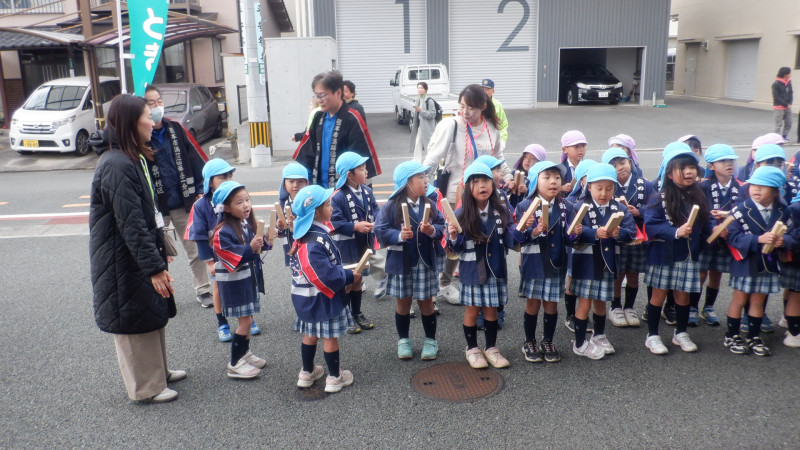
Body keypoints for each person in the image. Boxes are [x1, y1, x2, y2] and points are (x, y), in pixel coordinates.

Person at [89, 93, 185, 403]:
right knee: (132, 317)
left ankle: (158, 373)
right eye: (147, 114)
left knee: (148, 310)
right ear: (131, 122)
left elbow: (144, 215)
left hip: (134, 255)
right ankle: (146, 387)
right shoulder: (117, 164)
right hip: (122, 259)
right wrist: (154, 267)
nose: (153, 119)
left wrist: (158, 250)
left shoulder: (129, 157)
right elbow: (131, 224)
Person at [423, 84, 515, 304]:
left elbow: (498, 158)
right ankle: (434, 285)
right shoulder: (452, 125)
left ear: (483, 107)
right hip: (457, 191)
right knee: (449, 237)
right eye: (462, 106)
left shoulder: (491, 128)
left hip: (484, 193)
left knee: (472, 239)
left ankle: (449, 282)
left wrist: (508, 175)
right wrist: (419, 183)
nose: (465, 112)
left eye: (471, 108)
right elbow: (433, 157)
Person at [143, 85, 212, 308]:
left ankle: (203, 289)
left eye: (159, 101)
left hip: (184, 202)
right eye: (151, 103)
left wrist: (200, 189)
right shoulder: (141, 136)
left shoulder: (176, 129)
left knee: (195, 249)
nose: (157, 106)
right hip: (156, 207)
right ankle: (161, 295)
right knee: (158, 254)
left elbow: (195, 159)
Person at [447, 163, 521, 369]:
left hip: (495, 268)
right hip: (472, 270)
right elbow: (455, 249)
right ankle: (472, 348)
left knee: (491, 311)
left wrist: (525, 231)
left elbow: (510, 238)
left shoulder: (501, 210)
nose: (482, 185)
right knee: (472, 311)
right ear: (468, 186)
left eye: (486, 180)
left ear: (493, 184)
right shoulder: (460, 213)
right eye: (476, 181)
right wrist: (453, 236)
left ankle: (491, 348)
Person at [643, 143, 712, 355]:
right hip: (663, 255)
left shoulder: (698, 195)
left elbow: (706, 223)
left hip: (688, 254)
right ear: (669, 174)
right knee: (658, 295)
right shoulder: (659, 197)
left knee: (683, 297)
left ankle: (680, 332)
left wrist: (716, 230)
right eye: (682, 168)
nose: (689, 171)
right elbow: (650, 224)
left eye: (692, 167)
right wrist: (675, 232)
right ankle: (652, 335)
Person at [289, 185, 359, 393]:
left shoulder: (304, 236)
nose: (332, 207)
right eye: (328, 205)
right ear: (316, 212)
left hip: (305, 297)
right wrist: (348, 276)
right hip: (322, 297)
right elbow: (325, 275)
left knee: (310, 334)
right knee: (329, 338)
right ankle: (334, 377)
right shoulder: (316, 240)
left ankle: (307, 372)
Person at [374, 161, 445, 360]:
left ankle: (430, 340)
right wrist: (398, 235)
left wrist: (432, 231)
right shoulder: (392, 206)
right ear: (407, 183)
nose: (426, 180)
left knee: (426, 302)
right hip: (401, 262)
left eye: (426, 176)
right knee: (403, 302)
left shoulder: (429, 204)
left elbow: (441, 226)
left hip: (424, 261)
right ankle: (403, 340)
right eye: (420, 177)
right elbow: (380, 230)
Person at [570, 163, 637, 359]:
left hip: (607, 262)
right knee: (584, 302)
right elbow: (573, 233)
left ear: (614, 188)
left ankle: (599, 335)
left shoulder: (619, 208)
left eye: (609, 188)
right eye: (599, 188)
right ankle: (580, 342)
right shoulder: (579, 207)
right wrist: (593, 233)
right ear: (588, 186)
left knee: (601, 302)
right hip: (586, 263)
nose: (603, 193)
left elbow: (631, 232)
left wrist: (619, 233)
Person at [725, 166, 793, 356]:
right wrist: (757, 239)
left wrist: (783, 241)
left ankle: (754, 336)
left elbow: (793, 235)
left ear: (775, 190)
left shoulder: (783, 211)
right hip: (746, 262)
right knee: (739, 299)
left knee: (758, 301)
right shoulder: (740, 210)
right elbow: (733, 237)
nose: (756, 189)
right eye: (754, 184)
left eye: (764, 186)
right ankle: (731, 335)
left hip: (768, 263)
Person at [516, 161, 573, 363]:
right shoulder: (525, 206)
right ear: (535, 181)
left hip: (556, 261)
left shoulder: (566, 206)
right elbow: (518, 237)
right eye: (547, 177)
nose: (553, 182)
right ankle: (529, 341)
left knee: (551, 303)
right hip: (534, 262)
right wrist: (533, 231)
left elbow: (569, 238)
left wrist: (575, 234)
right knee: (533, 302)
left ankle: (548, 340)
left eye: (557, 177)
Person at [212, 181, 268, 379]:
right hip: (234, 285)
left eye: (247, 200)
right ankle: (235, 363)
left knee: (248, 320)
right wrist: (251, 247)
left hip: (246, 281)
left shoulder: (244, 224)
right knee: (244, 323)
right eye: (239, 202)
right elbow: (232, 256)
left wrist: (268, 238)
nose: (246, 205)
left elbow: (256, 247)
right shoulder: (222, 232)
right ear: (226, 208)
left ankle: (245, 353)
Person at [185, 159, 244, 342]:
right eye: (222, 177)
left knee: (243, 284)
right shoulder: (201, 205)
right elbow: (200, 236)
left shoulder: (235, 199)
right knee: (219, 287)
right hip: (216, 255)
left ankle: (245, 319)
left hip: (237, 251)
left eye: (229, 176)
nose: (227, 180)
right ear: (210, 182)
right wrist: (210, 262)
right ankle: (222, 323)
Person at [293, 71, 381, 188]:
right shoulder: (318, 118)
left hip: (344, 189)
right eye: (317, 95)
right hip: (320, 189)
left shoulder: (352, 118)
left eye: (323, 95)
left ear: (339, 93)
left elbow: (360, 162)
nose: (319, 100)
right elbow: (308, 156)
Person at [602, 148, 653, 328]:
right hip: (618, 235)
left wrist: (640, 211)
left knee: (633, 272)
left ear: (630, 162)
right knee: (618, 272)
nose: (620, 167)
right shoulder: (608, 186)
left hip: (639, 237)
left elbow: (655, 205)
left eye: (622, 162)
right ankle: (615, 307)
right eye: (614, 165)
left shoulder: (644, 184)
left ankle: (629, 307)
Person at [331, 152, 379, 334]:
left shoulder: (367, 191)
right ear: (349, 174)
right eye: (361, 169)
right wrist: (355, 226)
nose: (366, 172)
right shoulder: (337, 196)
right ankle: (344, 315)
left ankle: (356, 312)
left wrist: (377, 221)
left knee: (358, 278)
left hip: (363, 243)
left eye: (365, 168)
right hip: (345, 246)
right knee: (346, 282)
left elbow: (376, 210)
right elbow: (335, 222)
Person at [696, 144, 742, 327]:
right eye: (722, 161)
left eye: (731, 160)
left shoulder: (741, 187)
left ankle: (708, 307)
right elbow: (697, 212)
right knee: (701, 273)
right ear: (711, 166)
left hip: (726, 238)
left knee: (717, 273)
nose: (728, 164)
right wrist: (712, 222)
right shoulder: (702, 186)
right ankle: (692, 306)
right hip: (706, 237)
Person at [409, 82, 437, 163]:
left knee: (429, 144)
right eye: (418, 88)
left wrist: (421, 111)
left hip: (428, 127)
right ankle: (417, 160)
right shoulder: (418, 99)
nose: (420, 90)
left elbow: (432, 114)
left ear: (426, 90)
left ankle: (431, 160)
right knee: (418, 142)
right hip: (420, 126)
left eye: (421, 88)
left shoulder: (429, 100)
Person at [482, 79, 508, 151]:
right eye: (483, 89)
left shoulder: (497, 105)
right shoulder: (476, 104)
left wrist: (502, 140)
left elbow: (503, 124)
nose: (485, 91)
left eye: (487, 89)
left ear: (493, 91)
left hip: (494, 139)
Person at [772, 67, 793, 139]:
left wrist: (790, 102)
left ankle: (784, 136)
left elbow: (791, 92)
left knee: (789, 122)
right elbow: (776, 97)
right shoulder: (776, 84)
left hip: (788, 106)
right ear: (785, 74)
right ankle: (776, 138)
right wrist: (785, 104)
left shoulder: (788, 82)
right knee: (778, 124)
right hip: (779, 107)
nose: (790, 74)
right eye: (789, 73)